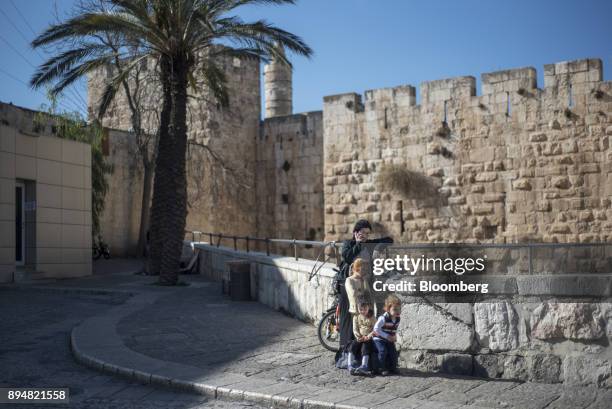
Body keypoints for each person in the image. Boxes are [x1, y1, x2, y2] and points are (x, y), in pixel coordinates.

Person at [335, 219, 393, 366]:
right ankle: (346, 354)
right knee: (349, 319)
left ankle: (361, 355)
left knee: (363, 320)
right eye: (362, 233)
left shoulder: (368, 244)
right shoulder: (349, 244)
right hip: (348, 286)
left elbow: (389, 240)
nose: (365, 236)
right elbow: (347, 257)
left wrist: (378, 243)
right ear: (356, 232)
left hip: (363, 287)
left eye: (367, 233)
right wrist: (358, 243)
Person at [373, 294, 401, 376]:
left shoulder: (397, 319)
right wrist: (387, 336)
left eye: (399, 309)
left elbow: (394, 329)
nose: (397, 311)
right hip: (379, 338)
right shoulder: (383, 318)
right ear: (388, 309)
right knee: (382, 351)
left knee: (393, 352)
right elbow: (376, 329)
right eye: (395, 309)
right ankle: (380, 368)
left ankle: (393, 367)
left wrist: (394, 336)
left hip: (388, 339)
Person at [348, 297, 376, 376]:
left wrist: (368, 336)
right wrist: (358, 337)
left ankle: (364, 365)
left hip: (368, 338)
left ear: (368, 308)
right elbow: (355, 329)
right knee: (352, 345)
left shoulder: (372, 317)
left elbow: (375, 329)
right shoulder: (356, 317)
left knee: (365, 348)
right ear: (358, 308)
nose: (363, 311)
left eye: (365, 309)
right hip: (360, 337)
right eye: (361, 309)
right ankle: (350, 365)